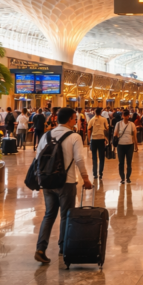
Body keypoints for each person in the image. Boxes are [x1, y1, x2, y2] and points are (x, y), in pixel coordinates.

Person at [34, 107, 93, 264]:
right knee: (66, 215)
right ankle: (63, 246)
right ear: (68, 120)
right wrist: (86, 179)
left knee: (49, 214)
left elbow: (37, 158)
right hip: (66, 182)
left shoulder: (46, 135)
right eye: (74, 119)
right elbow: (79, 159)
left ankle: (41, 248)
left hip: (47, 181)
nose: (76, 121)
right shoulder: (74, 136)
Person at [113, 111, 138, 184]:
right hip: (120, 145)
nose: (126, 117)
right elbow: (115, 135)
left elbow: (134, 135)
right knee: (121, 162)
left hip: (130, 145)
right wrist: (114, 146)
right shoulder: (118, 124)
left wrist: (136, 145)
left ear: (129, 116)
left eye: (127, 115)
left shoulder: (132, 124)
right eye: (125, 115)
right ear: (122, 116)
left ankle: (128, 177)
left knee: (129, 162)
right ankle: (122, 177)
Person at [87, 108, 109, 181]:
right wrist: (106, 138)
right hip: (101, 139)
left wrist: (89, 140)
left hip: (94, 140)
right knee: (101, 157)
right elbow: (107, 129)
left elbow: (89, 130)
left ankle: (95, 174)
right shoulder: (104, 119)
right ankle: (100, 173)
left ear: (94, 112)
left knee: (94, 157)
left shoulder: (92, 120)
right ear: (101, 112)